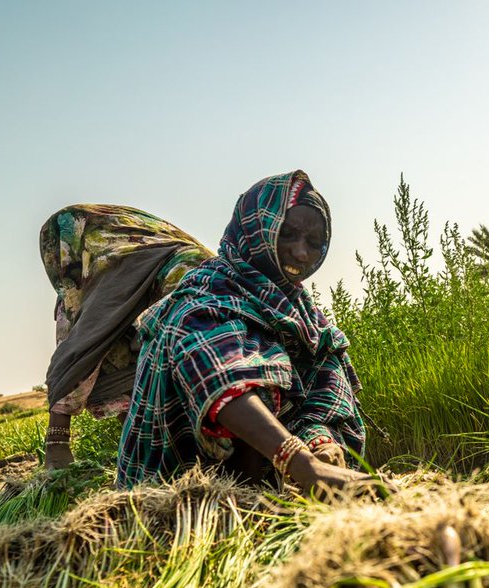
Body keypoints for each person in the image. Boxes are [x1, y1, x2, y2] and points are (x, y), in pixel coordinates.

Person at [116, 170, 377, 494]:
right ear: (257, 230)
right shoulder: (201, 301)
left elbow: (323, 387)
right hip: (179, 493)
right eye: (288, 234)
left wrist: (320, 443)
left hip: (268, 489)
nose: (301, 252)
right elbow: (221, 376)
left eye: (314, 243)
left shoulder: (304, 319)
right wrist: (301, 463)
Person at [41, 205, 212, 469]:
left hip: (207, 369)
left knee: (98, 340)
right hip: (229, 370)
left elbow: (74, 356)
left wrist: (57, 443)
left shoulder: (112, 279)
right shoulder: (177, 250)